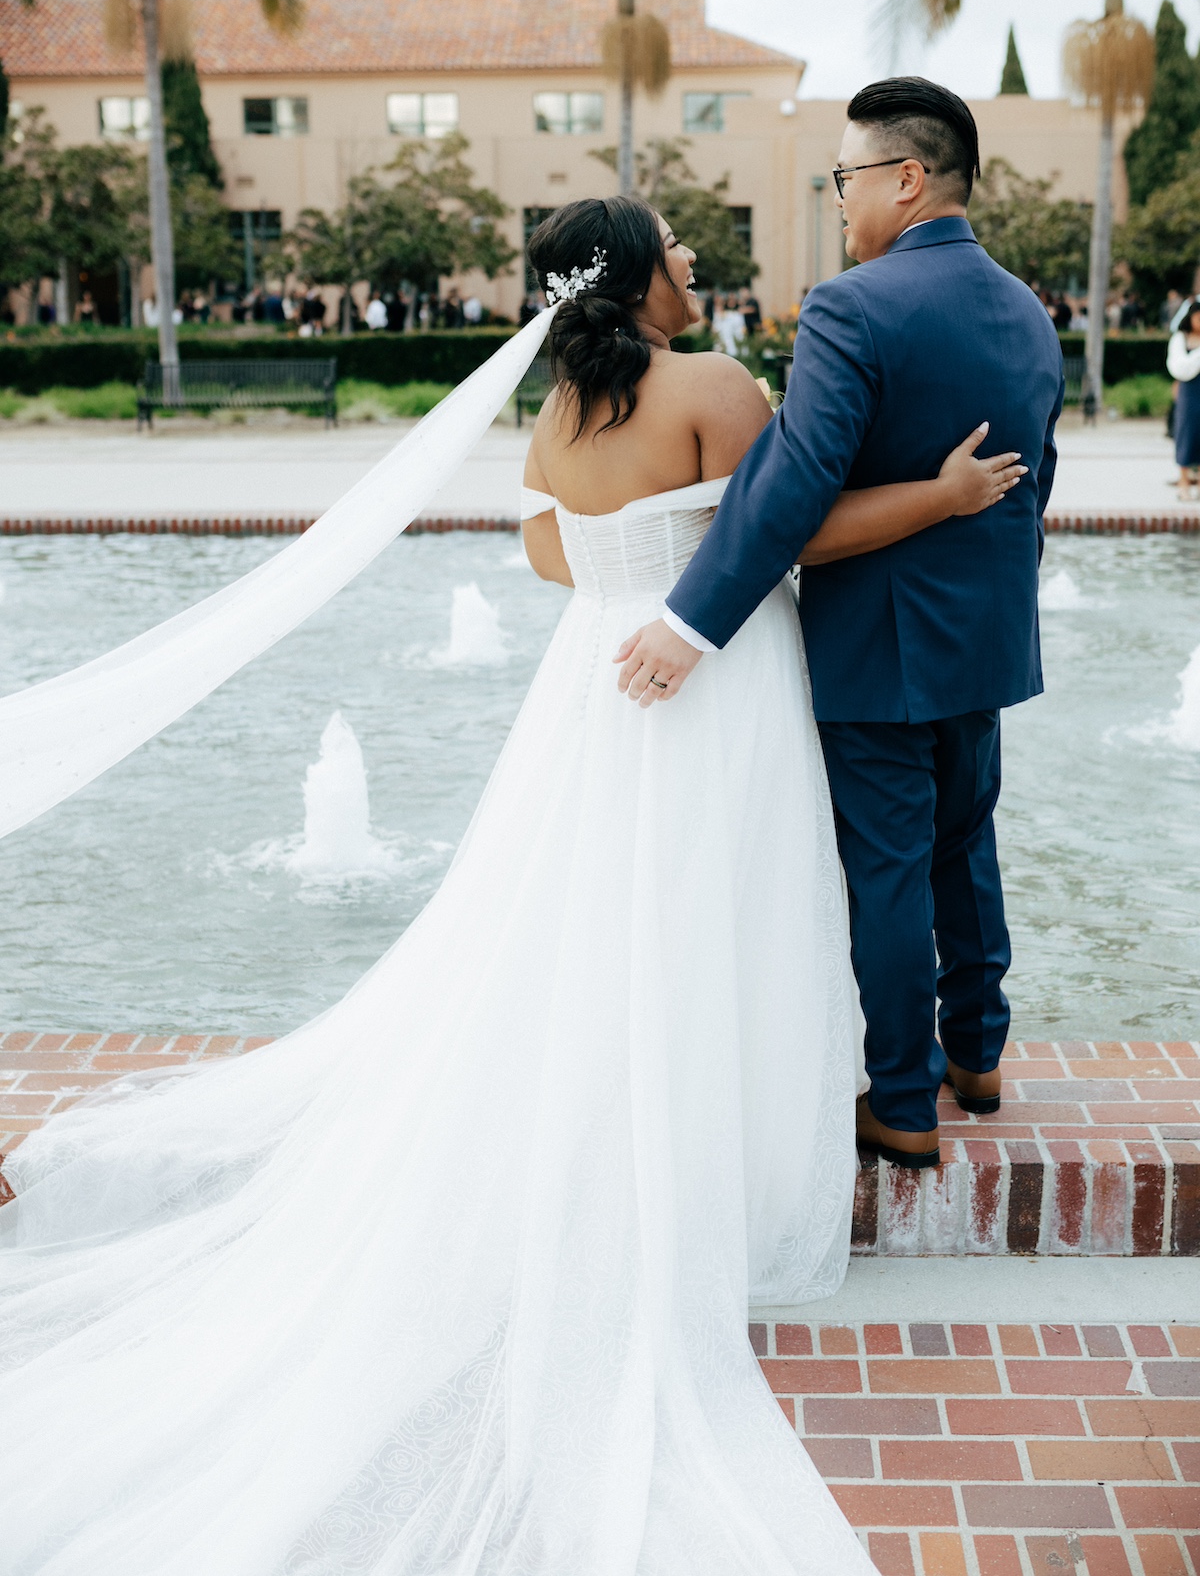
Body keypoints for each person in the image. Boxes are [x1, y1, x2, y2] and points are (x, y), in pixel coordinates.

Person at [0, 190, 1025, 1572]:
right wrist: (946, 496)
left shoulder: (553, 416)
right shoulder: (714, 384)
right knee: (734, 916)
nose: (691, 261)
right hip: (714, 693)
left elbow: (553, 558)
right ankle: (727, 1139)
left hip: (590, 702)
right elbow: (788, 530)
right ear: (639, 273)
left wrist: (641, 562)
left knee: (601, 925)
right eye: (676, 246)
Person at [616, 78, 1062, 1172]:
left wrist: (690, 622)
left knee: (889, 871)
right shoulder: (1028, 308)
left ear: (907, 179)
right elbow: (1037, 479)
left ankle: (904, 1099)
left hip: (879, 642)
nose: (837, 200)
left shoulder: (853, 304)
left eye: (844, 178)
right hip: (986, 636)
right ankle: (981, 1055)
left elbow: (795, 483)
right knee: (968, 843)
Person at [1167, 300, 1200, 499]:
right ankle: (1184, 482)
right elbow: (1180, 367)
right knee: (1186, 434)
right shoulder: (1180, 339)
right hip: (1188, 393)